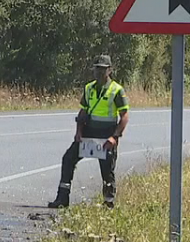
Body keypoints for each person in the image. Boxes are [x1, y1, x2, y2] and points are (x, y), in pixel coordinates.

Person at [47, 54, 130, 209]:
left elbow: (124, 116)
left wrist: (114, 137)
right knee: (68, 159)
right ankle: (62, 199)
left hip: (106, 136)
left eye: (102, 69)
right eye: (97, 69)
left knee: (107, 170)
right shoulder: (89, 88)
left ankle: (108, 203)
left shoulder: (116, 90)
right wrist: (78, 131)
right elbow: (83, 112)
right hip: (88, 133)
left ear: (109, 70)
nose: (99, 72)